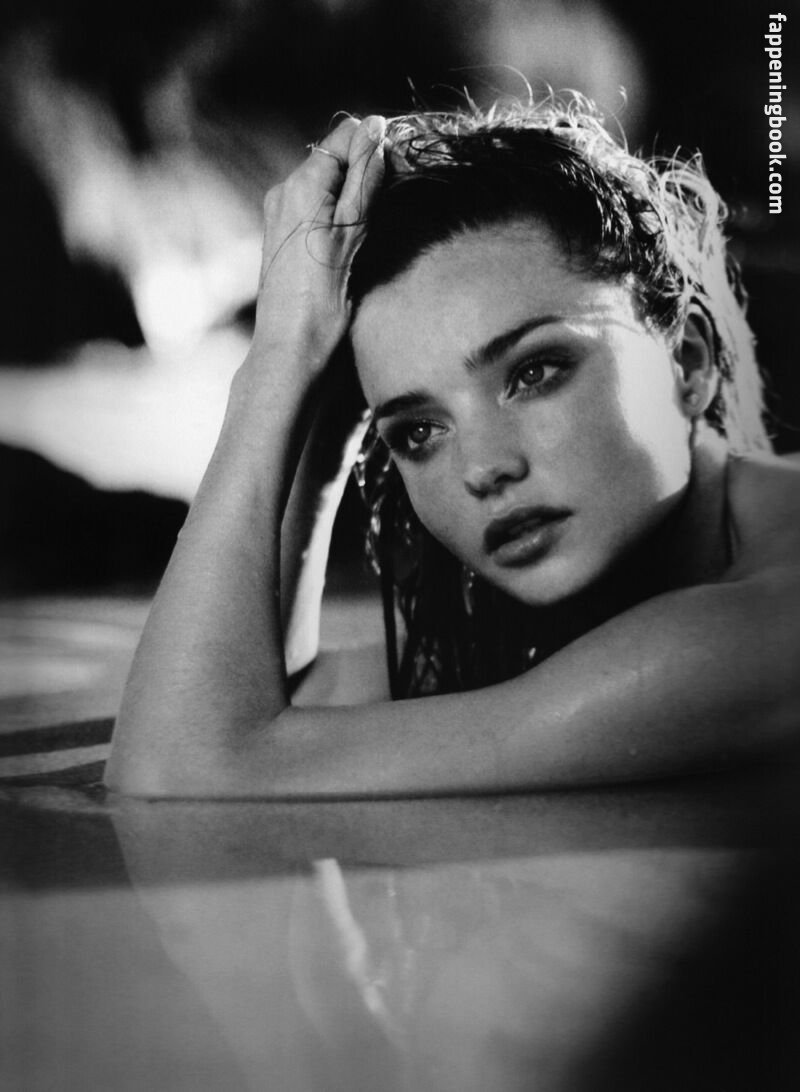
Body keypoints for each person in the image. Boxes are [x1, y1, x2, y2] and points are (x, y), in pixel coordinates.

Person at [104, 95, 800, 797]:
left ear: (688, 362)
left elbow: (187, 762)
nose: (484, 469)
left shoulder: (767, 627)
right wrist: (317, 411)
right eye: (418, 431)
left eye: (535, 373)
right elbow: (272, 700)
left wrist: (275, 363)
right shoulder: (608, 604)